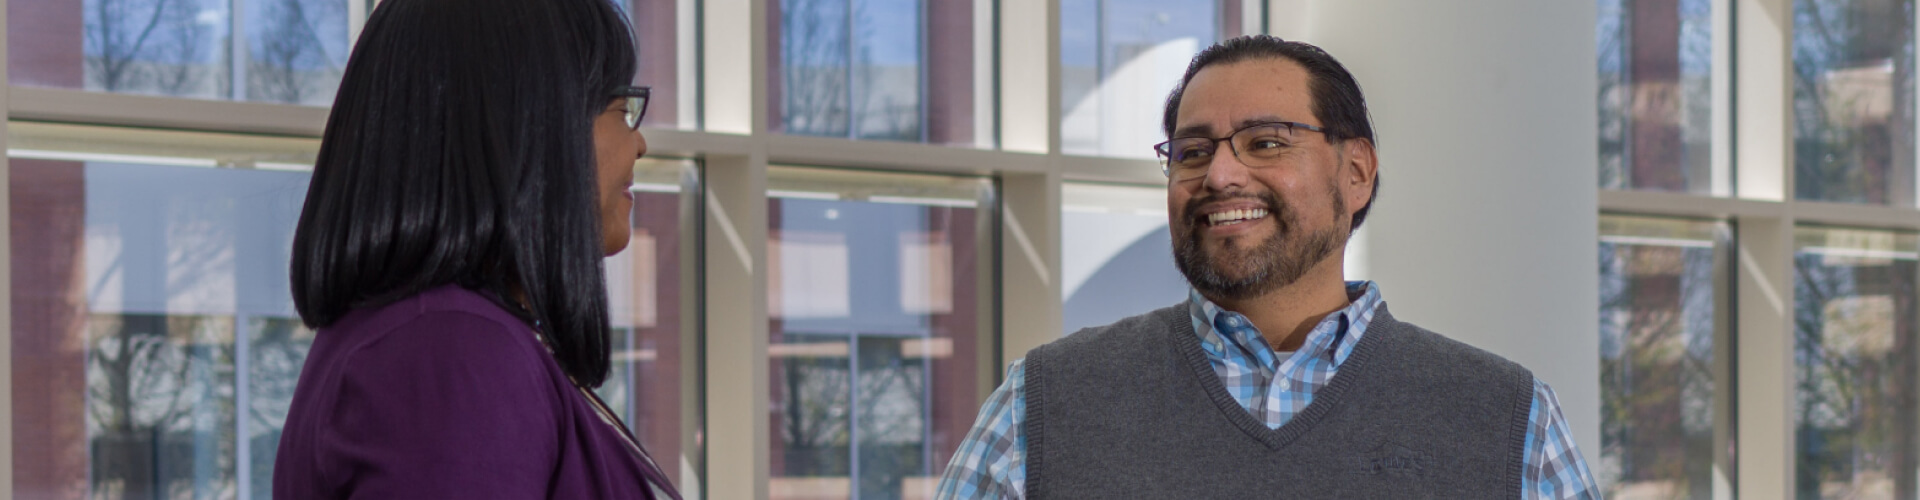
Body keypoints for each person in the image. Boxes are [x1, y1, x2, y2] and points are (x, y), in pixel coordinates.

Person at [936, 35, 1602, 499]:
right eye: (1192, 152)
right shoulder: (1045, 404)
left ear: (1358, 171)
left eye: (1265, 143)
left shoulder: (1509, 416)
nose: (1220, 173)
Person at [272, 0, 678, 497]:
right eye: (620, 108)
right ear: (532, 124)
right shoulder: (452, 349)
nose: (639, 144)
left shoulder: (429, 337)